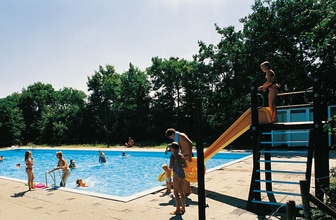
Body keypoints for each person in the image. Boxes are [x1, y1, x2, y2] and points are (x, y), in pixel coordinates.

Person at [165, 128, 193, 195]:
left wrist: (190, 154)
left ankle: (187, 190)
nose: (171, 138)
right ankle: (187, 190)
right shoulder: (177, 137)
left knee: (185, 174)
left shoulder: (181, 135)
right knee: (184, 173)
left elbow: (190, 143)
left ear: (172, 134)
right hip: (184, 155)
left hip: (187, 155)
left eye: (170, 136)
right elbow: (176, 144)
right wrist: (169, 146)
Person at [169, 142, 187, 215]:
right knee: (182, 192)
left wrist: (169, 168)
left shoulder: (172, 156)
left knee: (176, 193)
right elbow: (185, 165)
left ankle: (177, 210)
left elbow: (170, 166)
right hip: (182, 175)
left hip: (176, 175)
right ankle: (183, 207)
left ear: (173, 149)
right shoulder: (181, 155)